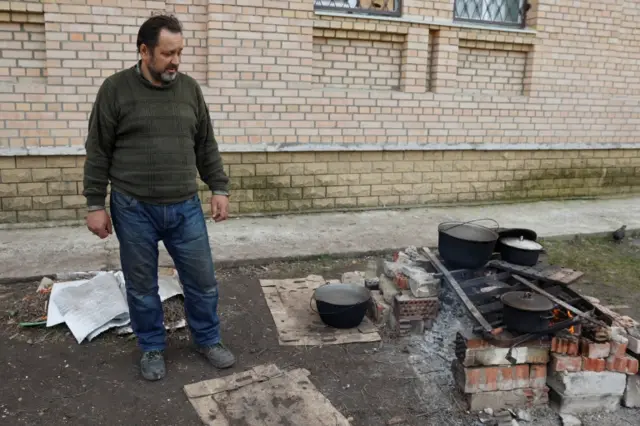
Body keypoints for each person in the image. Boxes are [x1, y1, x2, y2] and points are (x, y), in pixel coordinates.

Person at [82, 13, 235, 381]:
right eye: (168, 53)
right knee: (141, 285)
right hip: (133, 207)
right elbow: (98, 149)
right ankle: (151, 347)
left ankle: (208, 339)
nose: (176, 61)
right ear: (144, 50)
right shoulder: (115, 89)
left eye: (180, 52)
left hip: (185, 207)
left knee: (201, 281)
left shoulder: (189, 89)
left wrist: (219, 187)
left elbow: (205, 144)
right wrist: (94, 204)